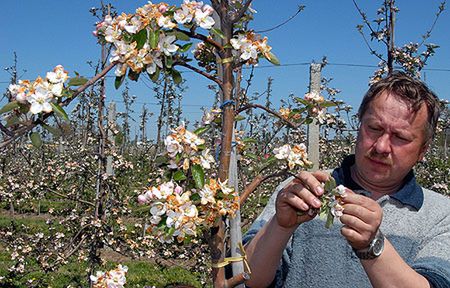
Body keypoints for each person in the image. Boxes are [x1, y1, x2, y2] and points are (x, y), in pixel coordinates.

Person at [243, 71, 450, 288]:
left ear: (423, 150)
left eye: (400, 137)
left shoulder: (441, 215)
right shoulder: (302, 191)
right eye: (374, 128)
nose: (381, 147)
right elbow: (247, 278)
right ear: (359, 125)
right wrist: (280, 226)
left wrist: (372, 245)